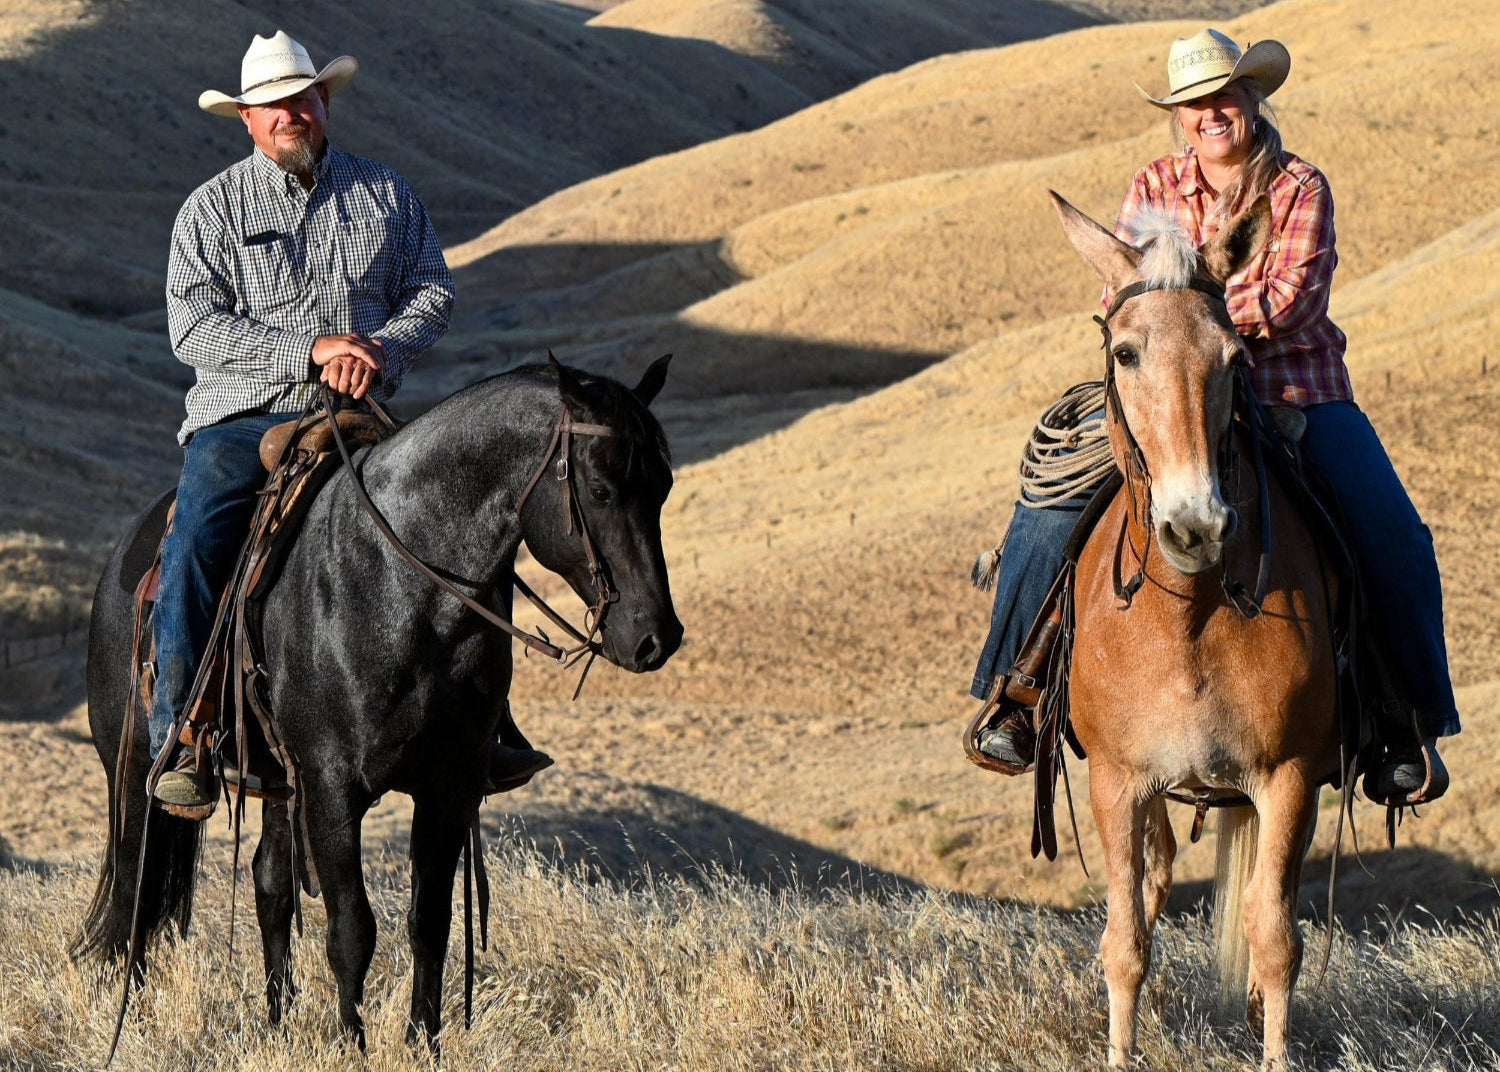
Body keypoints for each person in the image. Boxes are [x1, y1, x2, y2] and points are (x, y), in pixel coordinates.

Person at [966, 28, 1456, 804]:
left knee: (1391, 533)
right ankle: (1015, 695)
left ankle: (1404, 721)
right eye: (1193, 103)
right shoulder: (1153, 184)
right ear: (1178, 115)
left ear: (1252, 99)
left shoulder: (1298, 187)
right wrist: (1171, 333)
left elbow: (1292, 299)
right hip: (1166, 393)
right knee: (1047, 502)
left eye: (1223, 96)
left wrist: (1194, 318)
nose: (1210, 113)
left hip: (1294, 390)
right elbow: (1119, 297)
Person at [150, 31, 549, 808]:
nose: (290, 115)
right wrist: (308, 349)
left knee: (464, 529)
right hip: (244, 417)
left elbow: (432, 291)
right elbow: (193, 328)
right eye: (272, 107)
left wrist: (379, 348)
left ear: (324, 103)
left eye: (303, 99)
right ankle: (187, 736)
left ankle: (489, 721)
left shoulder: (386, 195)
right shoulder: (210, 208)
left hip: (360, 411)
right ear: (247, 119)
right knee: (198, 540)